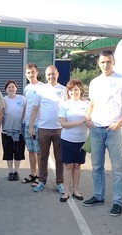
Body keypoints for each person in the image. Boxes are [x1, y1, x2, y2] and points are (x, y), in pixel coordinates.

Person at [82, 50, 122, 217]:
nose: (106, 65)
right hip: (96, 130)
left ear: (114, 62)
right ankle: (98, 196)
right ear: (98, 63)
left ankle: (117, 202)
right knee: (97, 167)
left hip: (113, 131)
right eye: (103, 62)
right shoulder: (94, 82)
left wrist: (119, 123)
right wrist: (87, 117)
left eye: (109, 62)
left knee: (118, 169)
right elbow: (92, 103)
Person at [29, 65, 66, 193]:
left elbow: (69, 108)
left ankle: (60, 182)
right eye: (48, 74)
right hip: (43, 128)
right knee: (43, 157)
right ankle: (42, 181)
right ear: (45, 76)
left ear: (58, 74)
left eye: (53, 74)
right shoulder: (41, 90)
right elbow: (34, 109)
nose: (51, 76)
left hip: (59, 129)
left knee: (59, 158)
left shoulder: (64, 90)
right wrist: (30, 127)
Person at [58, 80, 89, 202]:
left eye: (76, 89)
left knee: (77, 166)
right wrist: (80, 121)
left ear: (81, 90)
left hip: (82, 140)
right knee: (68, 166)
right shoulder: (65, 105)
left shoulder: (87, 104)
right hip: (67, 140)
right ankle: (66, 191)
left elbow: (90, 120)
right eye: (71, 90)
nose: (73, 92)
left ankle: (76, 190)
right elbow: (63, 123)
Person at [21, 63, 45, 185]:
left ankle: (41, 177)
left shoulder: (43, 87)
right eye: (28, 72)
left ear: (37, 72)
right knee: (31, 151)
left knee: (40, 151)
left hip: (39, 125)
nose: (31, 74)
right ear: (26, 74)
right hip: (27, 124)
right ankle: (33, 174)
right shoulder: (26, 88)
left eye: (33, 72)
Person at [1, 80, 26, 181]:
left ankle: (16, 171)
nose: (11, 88)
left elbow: (25, 111)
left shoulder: (22, 98)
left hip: (19, 130)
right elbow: (0, 113)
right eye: (9, 87)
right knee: (8, 151)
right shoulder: (3, 99)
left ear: (16, 88)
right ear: (6, 89)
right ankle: (10, 171)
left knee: (18, 151)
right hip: (6, 131)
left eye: (13, 87)